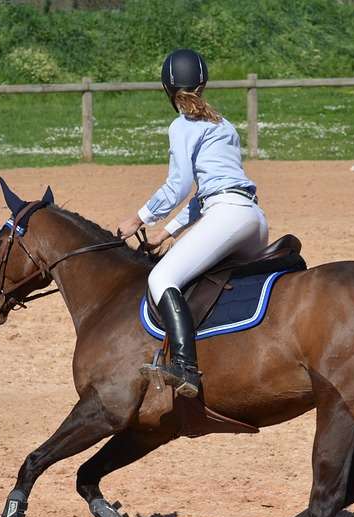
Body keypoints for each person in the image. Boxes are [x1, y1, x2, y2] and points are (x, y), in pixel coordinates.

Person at [117, 48, 269, 398]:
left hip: (227, 215)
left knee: (162, 277)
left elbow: (179, 186)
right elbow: (205, 195)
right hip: (253, 220)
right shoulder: (222, 123)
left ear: (166, 89)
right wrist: (165, 233)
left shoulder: (182, 124)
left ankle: (185, 366)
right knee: (203, 280)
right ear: (203, 84)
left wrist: (138, 219)